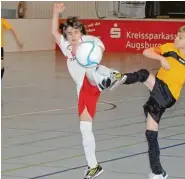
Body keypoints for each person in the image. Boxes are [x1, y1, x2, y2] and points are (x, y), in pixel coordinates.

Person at [111, 25, 185, 179]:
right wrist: (161, 58)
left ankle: (117, 78)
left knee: (144, 74)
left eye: (180, 37)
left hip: (168, 95)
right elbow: (147, 51)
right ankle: (158, 172)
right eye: (176, 35)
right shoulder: (169, 48)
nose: (175, 38)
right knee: (151, 134)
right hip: (157, 94)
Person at [52, 3, 125, 179]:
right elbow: (54, 32)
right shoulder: (66, 46)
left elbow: (99, 50)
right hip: (83, 90)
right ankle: (94, 166)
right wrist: (55, 12)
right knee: (85, 128)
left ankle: (112, 76)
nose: (73, 36)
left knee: (92, 68)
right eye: (69, 33)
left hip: (92, 79)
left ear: (82, 32)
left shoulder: (90, 41)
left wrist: (87, 51)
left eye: (76, 32)